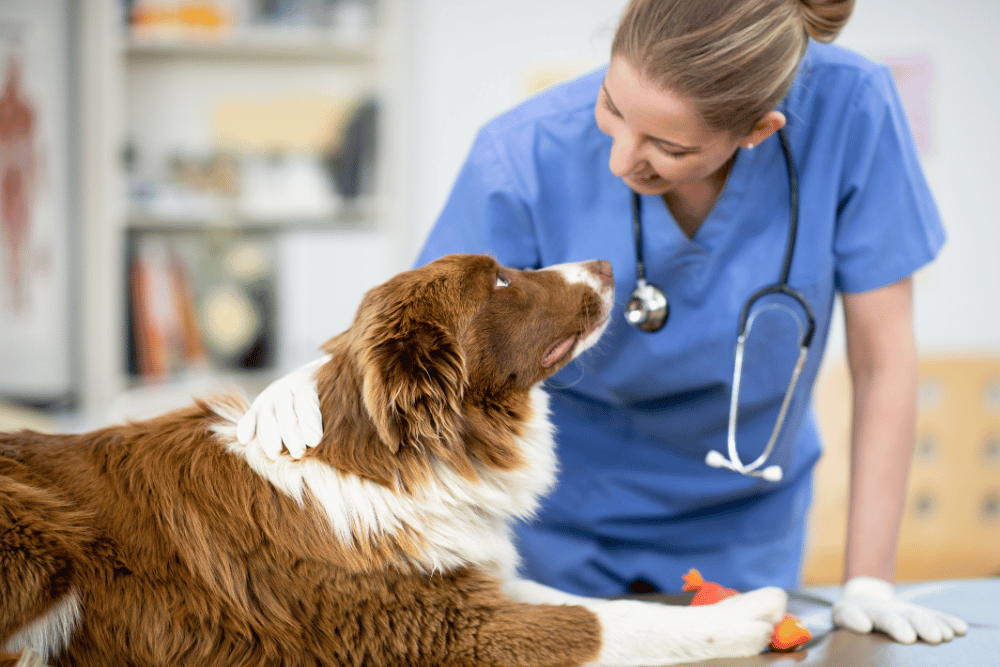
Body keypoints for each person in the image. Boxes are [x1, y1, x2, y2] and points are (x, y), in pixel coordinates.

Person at [238, 0, 968, 645]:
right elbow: (426, 332)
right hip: (562, 525)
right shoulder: (521, 153)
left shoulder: (854, 111)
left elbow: (883, 362)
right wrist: (317, 379)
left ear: (757, 129)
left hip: (744, 522)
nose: (623, 158)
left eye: (669, 149)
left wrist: (868, 578)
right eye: (612, 107)